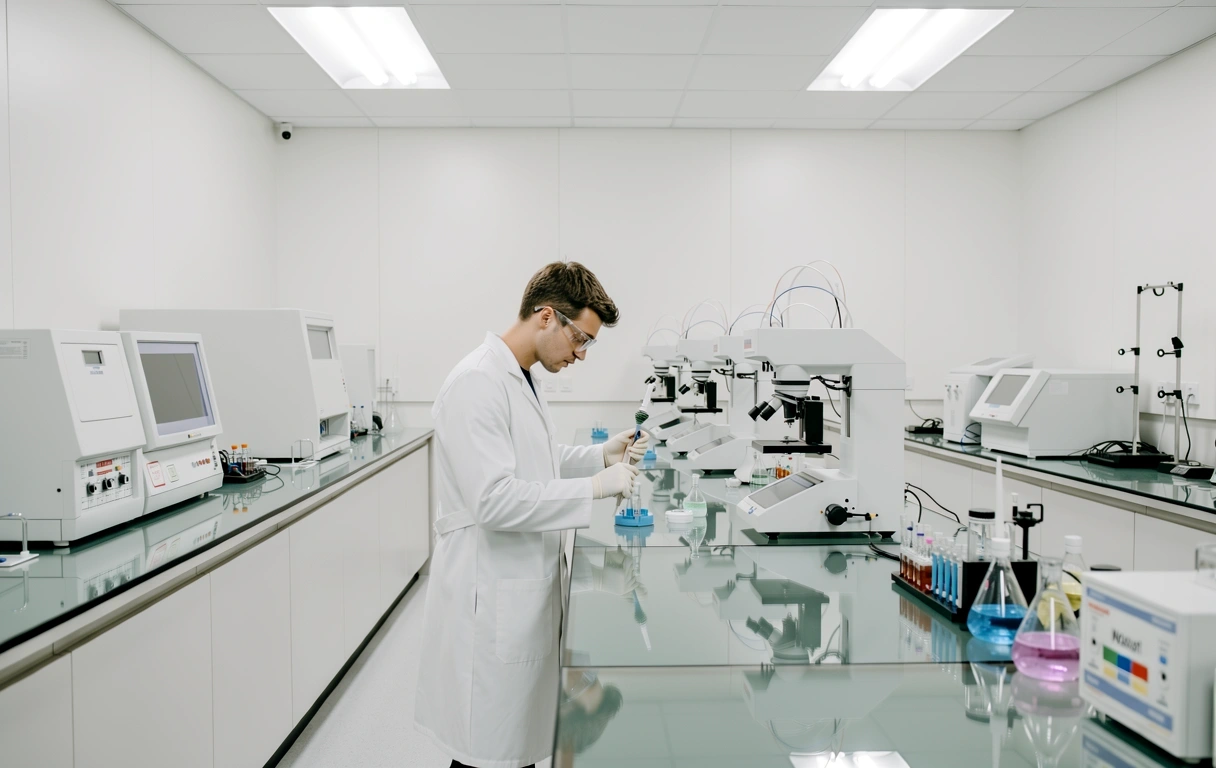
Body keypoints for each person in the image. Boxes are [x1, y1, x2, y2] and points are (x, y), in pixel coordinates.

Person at [415, 261, 651, 768]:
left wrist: (599, 456)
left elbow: (534, 459)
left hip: (518, 586)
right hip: (489, 592)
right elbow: (494, 498)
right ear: (547, 316)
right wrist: (592, 488)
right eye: (580, 339)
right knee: (487, 752)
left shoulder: (521, 377)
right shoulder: (477, 382)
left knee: (512, 749)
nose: (582, 355)